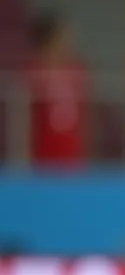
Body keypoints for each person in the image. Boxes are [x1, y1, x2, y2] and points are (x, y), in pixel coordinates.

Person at [26, 12, 90, 168]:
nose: (68, 41)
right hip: (43, 157)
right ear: (50, 39)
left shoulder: (77, 70)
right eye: (63, 36)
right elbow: (25, 119)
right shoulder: (35, 72)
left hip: (72, 156)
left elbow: (86, 117)